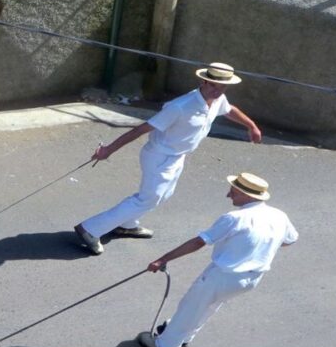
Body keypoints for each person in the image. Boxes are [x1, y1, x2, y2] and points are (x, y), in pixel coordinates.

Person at [74, 63, 262, 255]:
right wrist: (108, 150)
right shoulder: (179, 107)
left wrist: (251, 125)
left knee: (163, 195)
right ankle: (89, 229)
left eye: (223, 87)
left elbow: (229, 109)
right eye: (214, 85)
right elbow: (141, 129)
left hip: (177, 156)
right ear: (204, 81)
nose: (218, 90)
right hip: (159, 156)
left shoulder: (217, 98)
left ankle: (127, 224)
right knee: (148, 198)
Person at [137, 172, 298, 347]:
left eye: (233, 192)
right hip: (251, 279)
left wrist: (163, 259)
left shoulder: (235, 218)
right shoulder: (279, 215)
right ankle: (185, 337)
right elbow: (289, 240)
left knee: (190, 307)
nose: (228, 195)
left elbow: (199, 242)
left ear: (248, 195)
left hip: (222, 275)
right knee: (210, 306)